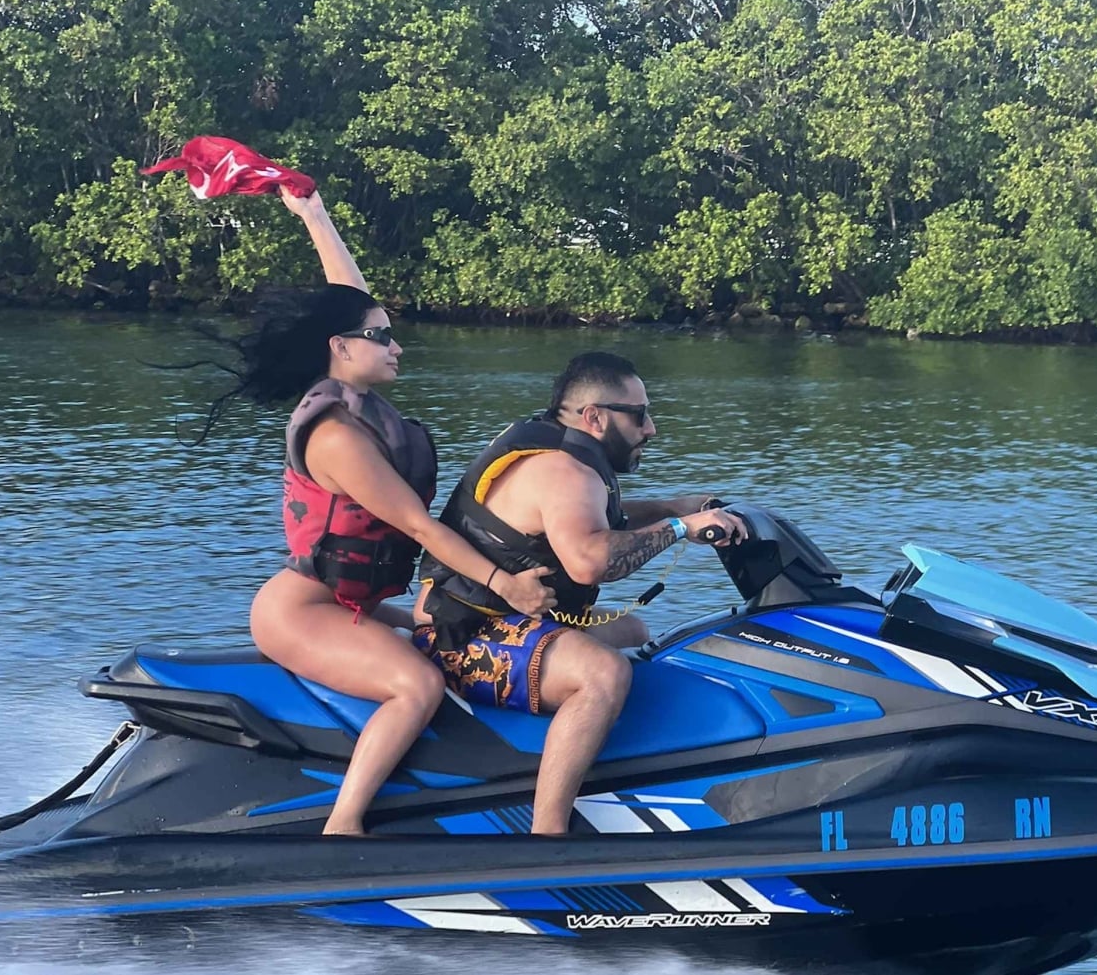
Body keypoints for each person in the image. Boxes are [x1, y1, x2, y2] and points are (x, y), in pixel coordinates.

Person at [197, 188, 555, 835]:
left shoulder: (353, 394)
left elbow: (350, 301)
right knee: (416, 683)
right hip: (302, 610)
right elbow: (419, 527)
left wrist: (315, 215)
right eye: (383, 339)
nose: (397, 348)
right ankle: (344, 826)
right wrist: (506, 584)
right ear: (341, 347)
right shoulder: (337, 434)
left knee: (452, 641)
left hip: (352, 602)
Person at [412, 352, 749, 834]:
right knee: (604, 673)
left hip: (503, 621)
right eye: (638, 415)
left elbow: (594, 516)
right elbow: (591, 562)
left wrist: (678, 505)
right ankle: (547, 833)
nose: (650, 429)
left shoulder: (568, 459)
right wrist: (679, 527)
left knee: (632, 629)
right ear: (595, 417)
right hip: (461, 636)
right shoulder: (563, 469)